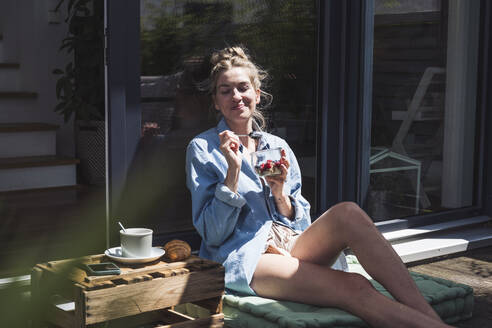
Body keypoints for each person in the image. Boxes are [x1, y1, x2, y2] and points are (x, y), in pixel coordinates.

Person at [185, 46, 454, 328]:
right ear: (215, 101)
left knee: (348, 212)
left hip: (289, 243)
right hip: (247, 255)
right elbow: (212, 234)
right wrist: (233, 172)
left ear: (257, 94)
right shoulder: (203, 148)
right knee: (355, 285)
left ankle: (432, 320)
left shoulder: (276, 146)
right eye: (225, 90)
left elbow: (300, 223)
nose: (236, 97)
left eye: (242, 87)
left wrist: (280, 195)